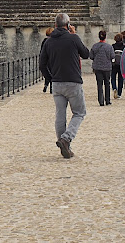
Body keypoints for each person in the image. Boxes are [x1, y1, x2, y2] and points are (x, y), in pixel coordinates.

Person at [39, 13, 90, 159]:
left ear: (55, 26)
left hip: (57, 83)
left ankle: (66, 146)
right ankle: (66, 139)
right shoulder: (73, 38)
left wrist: (50, 78)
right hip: (73, 81)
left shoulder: (48, 42)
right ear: (68, 25)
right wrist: (74, 34)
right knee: (79, 112)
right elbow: (86, 54)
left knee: (60, 115)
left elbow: (42, 64)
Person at [90, 30, 115, 105]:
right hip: (107, 67)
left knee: (99, 84)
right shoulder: (109, 47)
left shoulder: (95, 46)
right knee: (107, 83)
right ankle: (107, 100)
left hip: (97, 67)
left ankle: (101, 101)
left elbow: (91, 56)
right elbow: (112, 56)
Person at [111, 33, 125, 98]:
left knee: (113, 77)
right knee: (120, 79)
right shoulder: (124, 46)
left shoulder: (113, 46)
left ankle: (114, 87)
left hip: (114, 63)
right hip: (121, 63)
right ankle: (119, 93)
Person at [41, 27, 54, 93]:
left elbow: (42, 51)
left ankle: (46, 86)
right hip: (51, 59)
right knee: (52, 73)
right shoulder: (52, 41)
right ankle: (51, 88)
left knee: (47, 73)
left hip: (46, 60)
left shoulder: (44, 41)